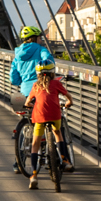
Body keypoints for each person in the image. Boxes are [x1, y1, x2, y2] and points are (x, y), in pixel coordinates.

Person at [24, 60, 70, 190]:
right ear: (52, 72)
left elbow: (28, 102)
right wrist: (69, 103)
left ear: (38, 74)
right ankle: (64, 160)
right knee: (58, 133)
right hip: (55, 115)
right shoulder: (56, 83)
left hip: (39, 116)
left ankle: (33, 176)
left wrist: (30, 104)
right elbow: (68, 96)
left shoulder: (36, 85)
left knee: (35, 144)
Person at [9, 25, 54, 104]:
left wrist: (22, 82)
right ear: (34, 38)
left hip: (25, 92)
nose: (41, 41)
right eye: (40, 38)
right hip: (41, 89)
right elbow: (48, 62)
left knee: (26, 111)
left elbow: (13, 77)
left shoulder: (17, 56)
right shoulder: (41, 50)